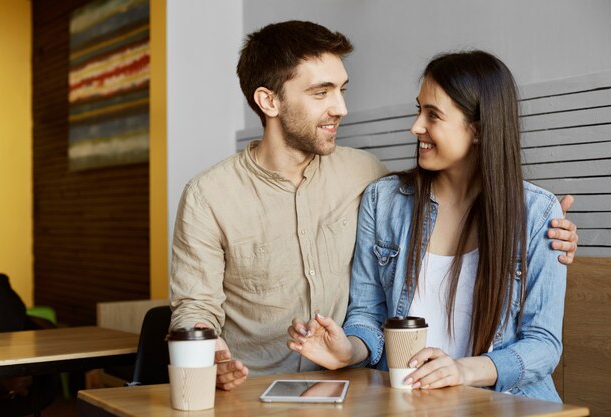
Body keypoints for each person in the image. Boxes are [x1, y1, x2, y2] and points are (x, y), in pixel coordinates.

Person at [170, 21, 577, 392]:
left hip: (365, 391)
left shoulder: (366, 176)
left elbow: (541, 340)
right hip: (259, 392)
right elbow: (196, 306)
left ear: (479, 128)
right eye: (321, 92)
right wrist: (206, 350)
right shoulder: (210, 195)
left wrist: (547, 226)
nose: (341, 108)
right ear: (268, 101)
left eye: (341, 90)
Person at [287, 50, 568, 402]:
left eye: (432, 115)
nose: (416, 127)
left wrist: (464, 370)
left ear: (478, 131)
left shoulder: (538, 214)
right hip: (409, 404)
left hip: (510, 403)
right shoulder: (384, 200)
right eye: (418, 110)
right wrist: (349, 351)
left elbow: (543, 345)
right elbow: (367, 315)